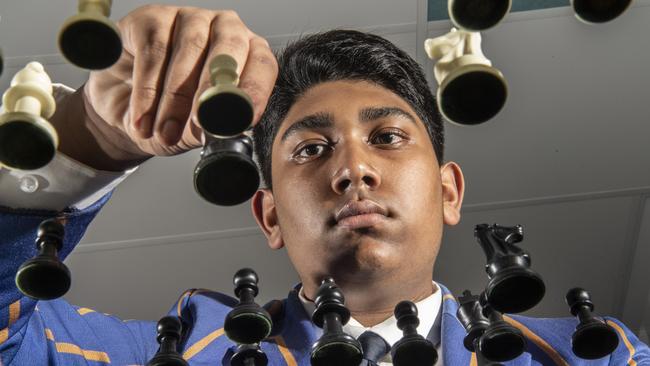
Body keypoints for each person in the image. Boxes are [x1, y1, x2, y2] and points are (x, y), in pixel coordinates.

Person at [0, 4, 648, 366]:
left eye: (388, 138)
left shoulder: (599, 357)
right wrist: (88, 140)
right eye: (311, 148)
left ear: (450, 192)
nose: (353, 170)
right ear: (270, 215)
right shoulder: (168, 354)